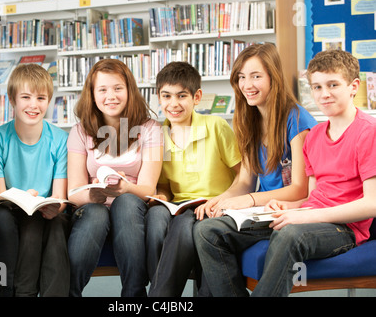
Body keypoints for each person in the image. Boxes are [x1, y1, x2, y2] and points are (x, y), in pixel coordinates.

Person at [193, 43, 317, 296]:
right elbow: (245, 182)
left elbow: (300, 188)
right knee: (205, 229)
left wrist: (247, 201)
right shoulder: (249, 120)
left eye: (256, 76)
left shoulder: (297, 119)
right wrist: (220, 200)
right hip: (264, 210)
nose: (247, 85)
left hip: (290, 209)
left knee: (209, 233)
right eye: (241, 77)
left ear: (274, 77)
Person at [248, 49, 376, 296]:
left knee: (289, 235)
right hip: (312, 216)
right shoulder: (315, 136)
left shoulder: (368, 133)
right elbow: (313, 198)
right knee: (213, 232)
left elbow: (372, 204)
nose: (324, 94)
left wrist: (304, 217)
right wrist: (291, 208)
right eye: (316, 87)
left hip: (345, 228)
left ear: (353, 86)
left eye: (333, 85)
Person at [67, 58, 163, 297]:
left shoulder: (150, 128)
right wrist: (93, 193)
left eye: (118, 88)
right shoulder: (80, 131)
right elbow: (73, 192)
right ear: (92, 94)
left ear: (129, 90)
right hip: (91, 209)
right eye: (102, 89)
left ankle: (133, 295)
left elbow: (148, 187)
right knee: (97, 213)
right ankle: (69, 292)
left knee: (127, 202)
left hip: (132, 211)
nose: (111, 96)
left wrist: (126, 188)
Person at [145, 61, 242, 297]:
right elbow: (167, 186)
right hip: (183, 207)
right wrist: (162, 196)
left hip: (219, 205)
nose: (173, 104)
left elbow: (243, 175)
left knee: (200, 230)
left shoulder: (216, 126)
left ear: (197, 97)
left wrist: (222, 201)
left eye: (181, 96)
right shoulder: (159, 136)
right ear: (158, 97)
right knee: (183, 222)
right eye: (166, 96)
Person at [0, 64, 70, 297]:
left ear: (49, 101)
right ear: (12, 100)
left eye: (41, 98)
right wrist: (24, 200)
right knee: (31, 224)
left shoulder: (59, 139)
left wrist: (56, 206)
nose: (34, 105)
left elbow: (60, 196)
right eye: (25, 97)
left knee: (54, 225)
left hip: (47, 212)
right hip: (10, 211)